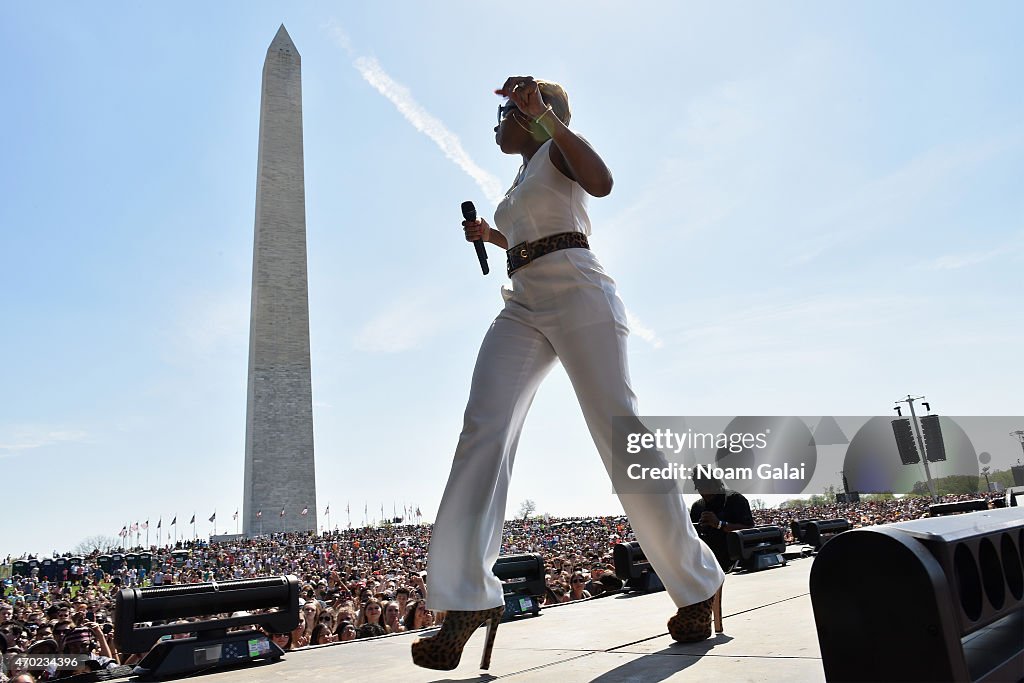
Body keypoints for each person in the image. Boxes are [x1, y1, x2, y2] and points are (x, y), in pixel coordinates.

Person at [413, 76, 724, 672]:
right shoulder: (523, 173)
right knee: (484, 429)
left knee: (618, 435)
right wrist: (493, 236)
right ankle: (465, 600)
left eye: (506, 115)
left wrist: (547, 119)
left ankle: (697, 581)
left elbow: (602, 184)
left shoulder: (556, 146)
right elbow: (532, 236)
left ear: (533, 112)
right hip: (525, 301)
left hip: (580, 292)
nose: (498, 126)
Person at [689, 471, 755, 571]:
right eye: (700, 489)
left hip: (736, 560)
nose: (705, 493)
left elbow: (749, 529)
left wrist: (720, 524)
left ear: (717, 484)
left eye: (708, 487)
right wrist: (699, 528)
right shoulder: (697, 507)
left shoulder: (735, 499)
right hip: (709, 563)